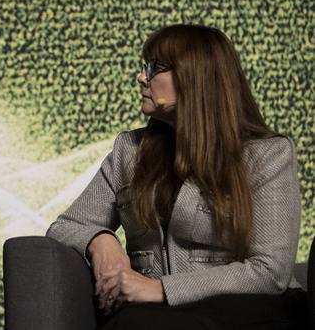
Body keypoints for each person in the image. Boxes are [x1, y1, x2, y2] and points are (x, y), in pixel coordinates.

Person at [47, 24, 306, 329]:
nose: (142, 77)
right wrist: (102, 241)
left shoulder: (268, 154)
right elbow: (66, 226)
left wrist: (158, 289)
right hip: (153, 314)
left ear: (195, 78)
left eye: (155, 68)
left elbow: (269, 271)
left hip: (252, 309)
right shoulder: (129, 150)